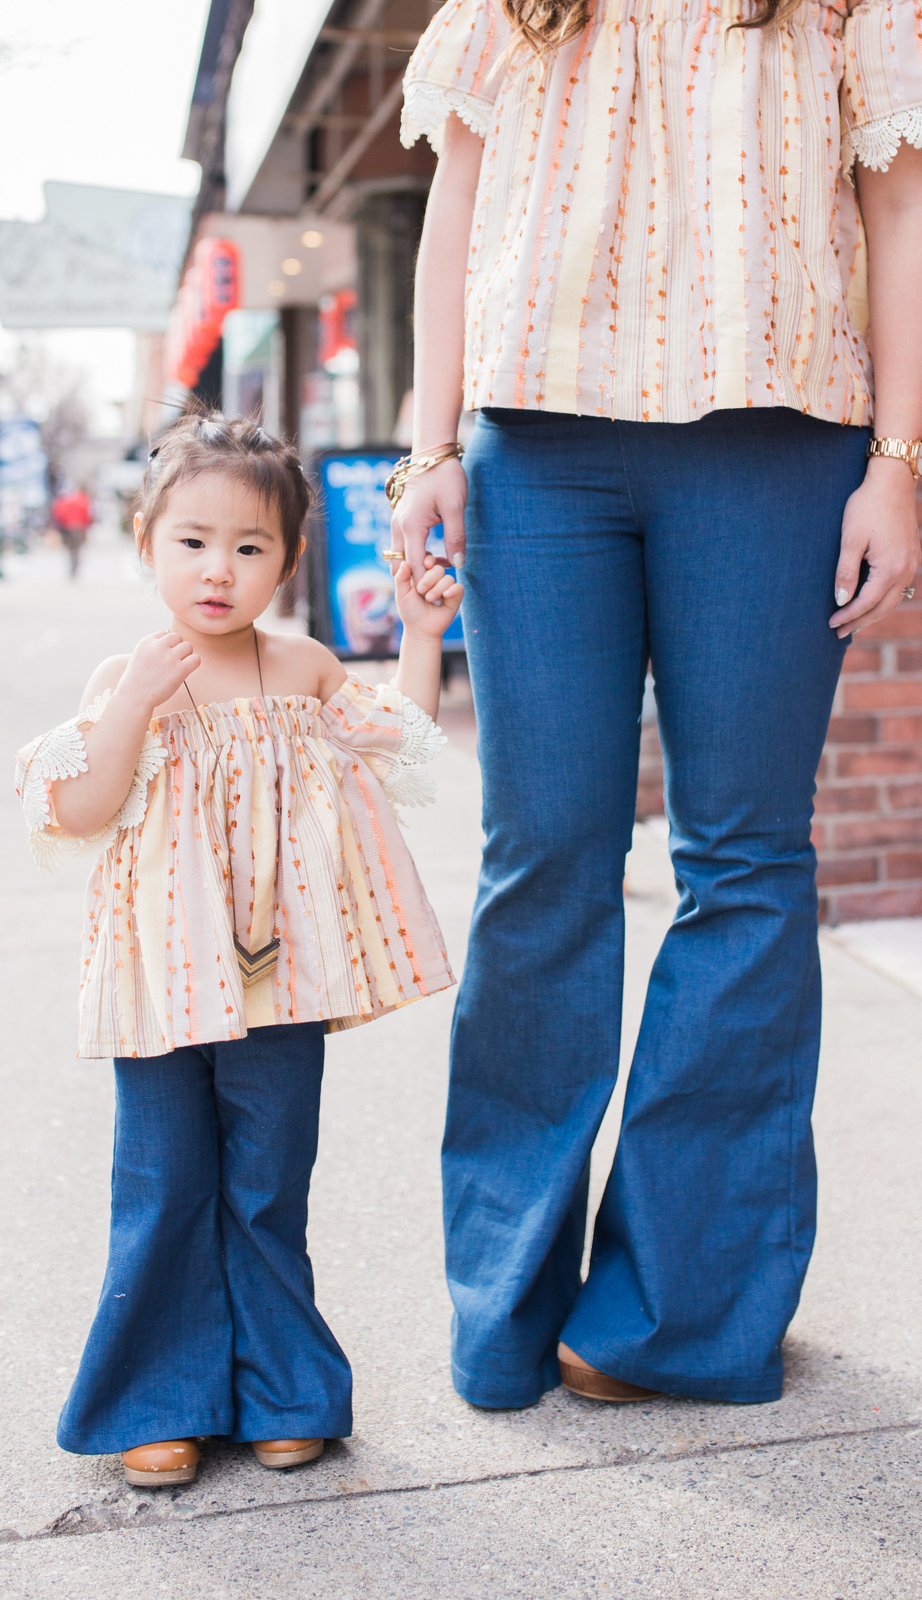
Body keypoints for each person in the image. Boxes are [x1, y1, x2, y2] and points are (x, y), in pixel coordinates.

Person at [392, 0, 922, 1408]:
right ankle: (500, 1308)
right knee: (540, 857)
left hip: (777, 443)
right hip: (537, 449)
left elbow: (895, 209)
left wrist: (897, 461)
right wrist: (423, 447)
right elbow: (453, 208)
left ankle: (673, 1315)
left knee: (742, 864)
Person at [15, 412, 462, 1485]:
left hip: (281, 976)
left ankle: (283, 1388)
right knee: (164, 1180)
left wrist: (417, 632)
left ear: (289, 560)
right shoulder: (127, 672)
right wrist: (130, 705)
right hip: (157, 984)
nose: (219, 569)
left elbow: (400, 743)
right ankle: (158, 1398)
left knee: (268, 1182)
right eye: (193, 541)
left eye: (249, 546)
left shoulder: (299, 665)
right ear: (144, 542)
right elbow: (77, 806)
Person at [51, 485, 94, 578]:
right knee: (76, 549)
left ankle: (72, 567)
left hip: (68, 527)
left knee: (71, 549)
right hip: (79, 528)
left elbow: (59, 513)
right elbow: (87, 515)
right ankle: (75, 567)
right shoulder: (84, 500)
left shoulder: (67, 501)